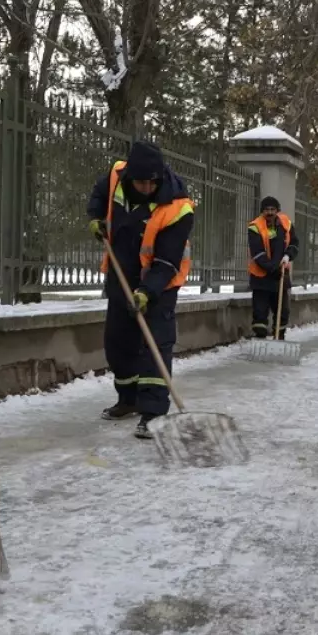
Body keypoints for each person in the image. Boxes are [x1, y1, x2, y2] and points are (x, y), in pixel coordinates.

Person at [87, 141, 195, 439]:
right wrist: (95, 217)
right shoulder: (115, 176)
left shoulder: (178, 208)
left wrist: (148, 291)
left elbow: (167, 259)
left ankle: (153, 413)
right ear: (129, 176)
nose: (146, 187)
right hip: (120, 275)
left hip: (161, 283)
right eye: (140, 182)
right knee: (118, 343)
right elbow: (98, 195)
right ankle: (129, 399)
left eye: (152, 182)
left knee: (154, 346)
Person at [247, 196, 300, 338]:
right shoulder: (255, 227)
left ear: (277, 210)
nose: (269, 213)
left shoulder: (286, 224)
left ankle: (279, 337)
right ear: (262, 212)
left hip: (281, 276)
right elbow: (258, 254)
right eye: (266, 210)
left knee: (282, 311)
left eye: (272, 209)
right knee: (260, 312)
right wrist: (273, 268)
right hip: (261, 278)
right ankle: (260, 338)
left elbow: (294, 243)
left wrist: (288, 255)